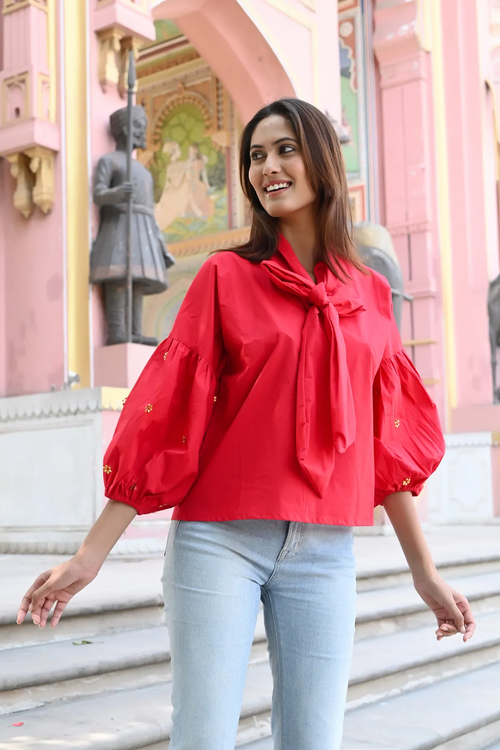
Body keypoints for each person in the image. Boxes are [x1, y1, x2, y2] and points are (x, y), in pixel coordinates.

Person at [17, 98, 475, 750]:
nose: (267, 167)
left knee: (314, 742)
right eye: (256, 156)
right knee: (203, 739)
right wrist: (91, 554)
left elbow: (386, 443)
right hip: (219, 541)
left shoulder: (370, 295)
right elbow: (166, 418)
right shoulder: (224, 277)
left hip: (325, 550)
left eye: (285, 149)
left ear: (322, 161)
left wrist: (423, 572)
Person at [90, 105, 175, 346]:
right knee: (119, 275)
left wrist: (158, 241)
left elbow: (149, 207)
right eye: (138, 126)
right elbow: (99, 194)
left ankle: (135, 330)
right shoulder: (110, 161)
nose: (142, 132)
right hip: (119, 225)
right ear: (124, 129)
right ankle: (117, 330)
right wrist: (117, 193)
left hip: (143, 228)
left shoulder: (143, 171)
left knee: (138, 278)